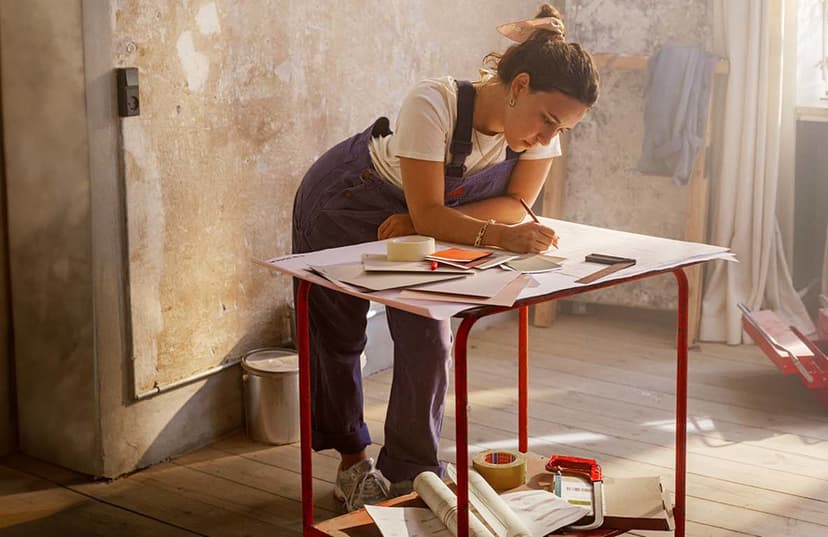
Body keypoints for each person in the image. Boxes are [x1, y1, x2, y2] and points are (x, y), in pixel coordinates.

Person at [291, 4, 599, 512]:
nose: (548, 139)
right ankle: (352, 465)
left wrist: (424, 220)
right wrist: (441, 219)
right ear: (519, 85)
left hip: (421, 215)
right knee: (338, 335)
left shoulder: (540, 134)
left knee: (429, 336)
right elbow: (479, 217)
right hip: (347, 202)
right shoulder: (435, 101)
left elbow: (515, 204)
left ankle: (406, 478)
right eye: (547, 121)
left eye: (561, 130)